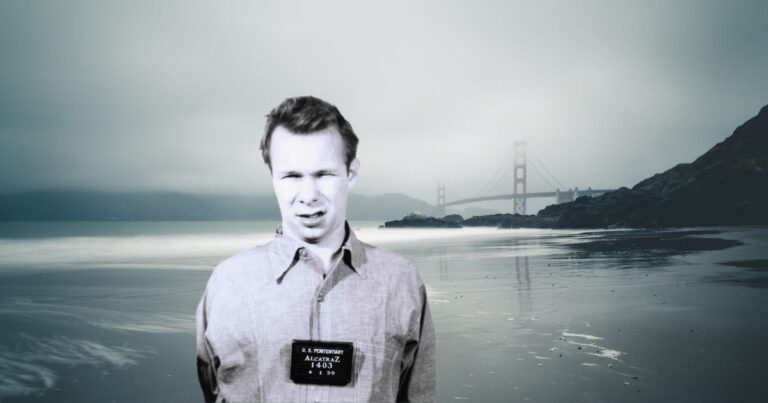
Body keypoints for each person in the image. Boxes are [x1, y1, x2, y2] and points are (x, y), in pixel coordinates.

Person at [195, 96, 435, 402]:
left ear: (351, 173)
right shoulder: (228, 283)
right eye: (292, 176)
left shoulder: (401, 282)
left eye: (324, 174)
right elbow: (211, 389)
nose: (308, 196)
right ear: (273, 178)